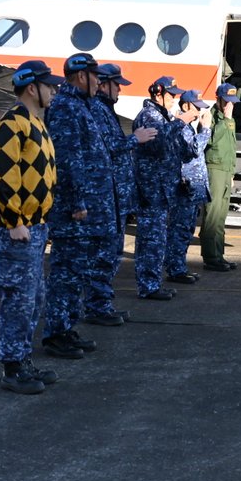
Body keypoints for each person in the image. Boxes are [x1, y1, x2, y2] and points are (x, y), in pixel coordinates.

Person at [0, 60, 62, 394]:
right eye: (49, 85)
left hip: (37, 226)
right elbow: (4, 174)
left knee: (33, 299)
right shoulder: (13, 122)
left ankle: (23, 359)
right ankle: (12, 368)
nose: (53, 90)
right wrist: (14, 221)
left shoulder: (37, 123)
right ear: (32, 87)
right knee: (18, 299)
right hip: (19, 228)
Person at [42, 53, 114, 354]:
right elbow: (68, 161)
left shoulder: (82, 105)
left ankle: (66, 328)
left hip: (86, 209)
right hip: (73, 211)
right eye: (95, 76)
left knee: (76, 273)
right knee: (65, 274)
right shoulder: (66, 107)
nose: (99, 81)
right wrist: (76, 202)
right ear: (81, 76)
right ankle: (55, 334)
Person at [94, 63, 156, 307]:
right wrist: (135, 139)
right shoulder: (99, 110)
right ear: (103, 84)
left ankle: (103, 304)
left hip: (117, 197)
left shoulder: (105, 110)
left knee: (112, 254)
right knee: (105, 255)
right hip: (108, 197)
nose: (120, 89)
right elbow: (107, 147)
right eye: (116, 84)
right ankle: (99, 306)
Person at [132, 76, 192, 300]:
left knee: (157, 239)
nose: (174, 99)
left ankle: (152, 283)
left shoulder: (162, 117)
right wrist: (180, 122)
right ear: (158, 94)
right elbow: (158, 144)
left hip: (161, 189)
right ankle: (148, 286)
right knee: (151, 239)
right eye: (171, 94)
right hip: (151, 190)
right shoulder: (149, 116)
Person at [166, 90, 212, 284]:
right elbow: (193, 150)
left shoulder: (188, 128)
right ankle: (175, 269)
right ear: (185, 106)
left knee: (186, 229)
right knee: (180, 229)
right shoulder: (183, 129)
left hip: (192, 188)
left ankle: (179, 267)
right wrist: (206, 129)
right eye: (196, 108)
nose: (199, 112)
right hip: (185, 187)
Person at [200, 82, 241, 271]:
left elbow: (230, 148)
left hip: (225, 170)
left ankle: (219, 255)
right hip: (214, 169)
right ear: (219, 99)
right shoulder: (210, 117)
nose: (230, 105)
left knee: (221, 216)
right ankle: (210, 257)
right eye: (227, 101)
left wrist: (231, 172)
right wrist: (226, 120)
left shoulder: (228, 120)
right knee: (212, 214)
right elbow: (209, 140)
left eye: (232, 102)